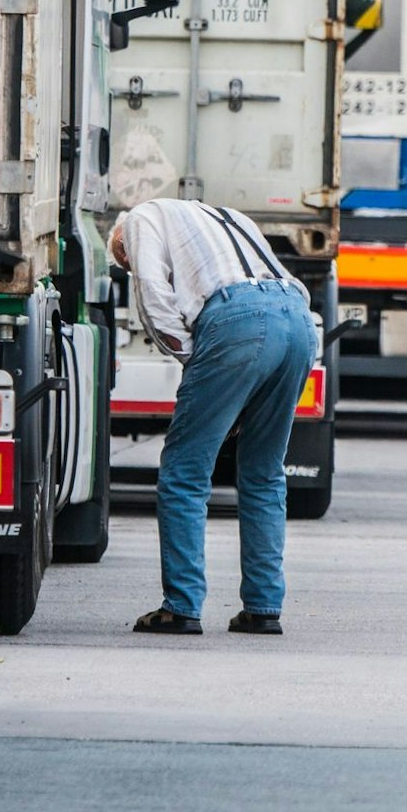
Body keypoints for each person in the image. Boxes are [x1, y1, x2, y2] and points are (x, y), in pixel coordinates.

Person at [109, 199, 318, 635]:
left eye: (123, 259)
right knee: (264, 472)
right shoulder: (229, 215)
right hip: (297, 319)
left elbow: (154, 295)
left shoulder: (140, 220)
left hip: (233, 321)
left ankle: (181, 607)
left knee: (184, 472)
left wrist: (197, 364)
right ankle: (263, 609)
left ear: (121, 240)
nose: (129, 263)